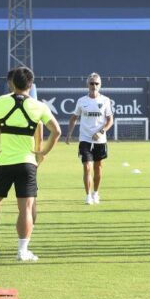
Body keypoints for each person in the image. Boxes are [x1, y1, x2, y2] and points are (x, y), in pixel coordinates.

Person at [0, 66, 61, 262]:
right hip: (27, 163)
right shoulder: (39, 106)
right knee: (26, 208)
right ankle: (22, 251)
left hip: (3, 162)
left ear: (12, 83)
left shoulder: (0, 102)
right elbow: (56, 131)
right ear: (31, 84)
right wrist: (43, 152)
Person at [65, 72, 114, 204]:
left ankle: (96, 193)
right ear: (87, 84)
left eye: (96, 83)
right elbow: (74, 117)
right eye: (91, 83)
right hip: (85, 139)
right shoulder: (82, 101)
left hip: (100, 140)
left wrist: (101, 131)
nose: (94, 86)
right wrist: (69, 133)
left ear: (100, 85)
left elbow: (110, 120)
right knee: (87, 166)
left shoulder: (105, 101)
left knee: (98, 168)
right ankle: (88, 196)